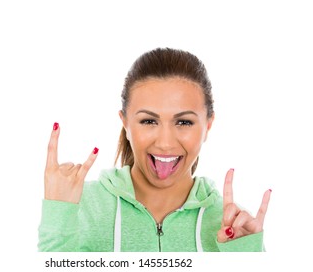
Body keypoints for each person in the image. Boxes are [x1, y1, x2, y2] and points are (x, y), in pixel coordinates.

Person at [38, 48, 271, 252]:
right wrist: (58, 217)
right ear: (126, 124)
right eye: (149, 121)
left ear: (208, 125)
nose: (165, 143)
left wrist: (246, 258)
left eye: (184, 122)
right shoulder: (79, 205)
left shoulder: (232, 226)